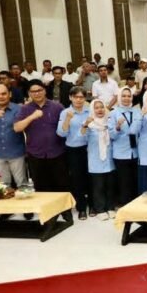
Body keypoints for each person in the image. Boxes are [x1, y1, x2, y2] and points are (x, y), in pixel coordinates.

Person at [14, 80, 69, 192]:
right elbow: (17, 128)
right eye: (33, 91)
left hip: (57, 153)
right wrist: (32, 117)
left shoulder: (57, 106)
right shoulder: (25, 109)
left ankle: (64, 210)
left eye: (39, 90)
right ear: (29, 93)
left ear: (44, 91)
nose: (37, 93)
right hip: (36, 154)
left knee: (61, 185)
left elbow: (66, 126)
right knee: (41, 188)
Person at [57, 86, 92, 218]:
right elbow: (61, 133)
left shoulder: (90, 111)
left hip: (90, 148)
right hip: (73, 150)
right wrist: (67, 119)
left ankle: (92, 205)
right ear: (70, 98)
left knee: (91, 177)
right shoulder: (65, 112)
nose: (78, 100)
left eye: (81, 97)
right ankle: (81, 207)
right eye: (76, 97)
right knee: (77, 179)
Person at [80, 99, 116, 219]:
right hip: (95, 159)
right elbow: (81, 137)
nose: (100, 110)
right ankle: (100, 210)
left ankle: (110, 207)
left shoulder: (109, 122)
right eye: (96, 108)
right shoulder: (89, 124)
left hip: (109, 159)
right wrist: (85, 124)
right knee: (98, 186)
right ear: (92, 110)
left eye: (101, 107)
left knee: (110, 185)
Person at [109, 86, 142, 207]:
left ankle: (136, 206)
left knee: (135, 181)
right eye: (123, 96)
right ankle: (125, 206)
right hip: (121, 153)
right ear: (119, 97)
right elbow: (112, 135)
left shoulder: (137, 112)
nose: (126, 98)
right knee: (124, 182)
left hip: (136, 152)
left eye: (129, 96)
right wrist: (117, 127)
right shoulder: (113, 113)